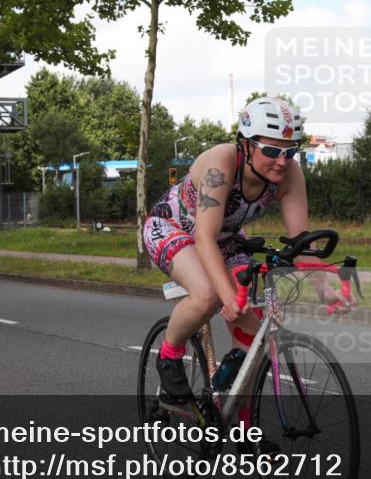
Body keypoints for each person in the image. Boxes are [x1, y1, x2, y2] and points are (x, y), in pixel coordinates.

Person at [143, 97, 348, 406]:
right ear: (246, 143)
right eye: (271, 151)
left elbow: (302, 241)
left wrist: (324, 289)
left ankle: (243, 428)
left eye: (290, 151)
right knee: (210, 295)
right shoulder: (220, 165)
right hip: (172, 227)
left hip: (225, 237)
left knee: (254, 337)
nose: (282, 161)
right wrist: (226, 296)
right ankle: (170, 355)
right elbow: (204, 237)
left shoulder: (290, 174)